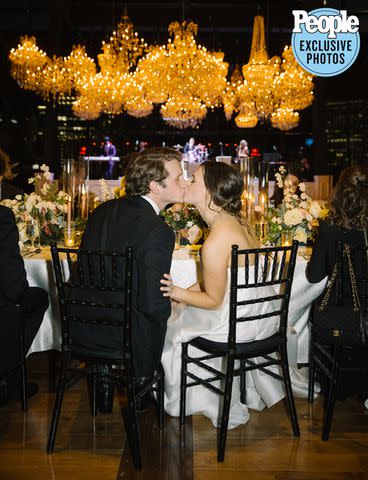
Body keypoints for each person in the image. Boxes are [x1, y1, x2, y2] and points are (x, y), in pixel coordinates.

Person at [160, 162, 285, 429]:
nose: (186, 183)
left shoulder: (216, 239)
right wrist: (182, 296)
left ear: (210, 191)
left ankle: (198, 400)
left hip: (238, 324)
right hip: (259, 315)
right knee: (179, 311)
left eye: (193, 180)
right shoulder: (235, 222)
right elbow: (218, 280)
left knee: (171, 330)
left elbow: (214, 300)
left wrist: (175, 291)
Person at [78, 147, 187, 412]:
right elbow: (152, 306)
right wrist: (176, 308)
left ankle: (102, 385)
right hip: (127, 335)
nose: (185, 182)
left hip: (85, 322)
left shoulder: (102, 212)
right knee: (174, 313)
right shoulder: (157, 230)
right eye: (178, 178)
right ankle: (143, 387)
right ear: (155, 187)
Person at [306, 165, 368, 400]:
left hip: (341, 317)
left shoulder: (329, 227)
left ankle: (334, 381)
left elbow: (313, 277)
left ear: (339, 192)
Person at [0, 205, 49, 407]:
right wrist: (20, 291)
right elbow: (11, 280)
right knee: (36, 299)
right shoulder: (2, 216)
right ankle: (8, 373)